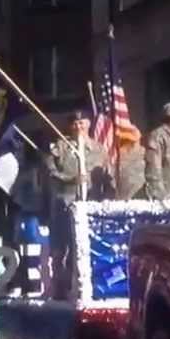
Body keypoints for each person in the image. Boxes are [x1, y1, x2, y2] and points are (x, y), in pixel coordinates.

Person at [45, 110, 109, 299]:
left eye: (82, 123)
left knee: (84, 248)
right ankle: (60, 287)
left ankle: (85, 288)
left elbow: (106, 176)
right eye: (75, 123)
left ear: (89, 124)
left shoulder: (99, 149)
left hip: (90, 205)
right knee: (61, 248)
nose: (79, 127)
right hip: (65, 204)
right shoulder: (60, 148)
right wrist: (71, 179)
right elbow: (50, 173)